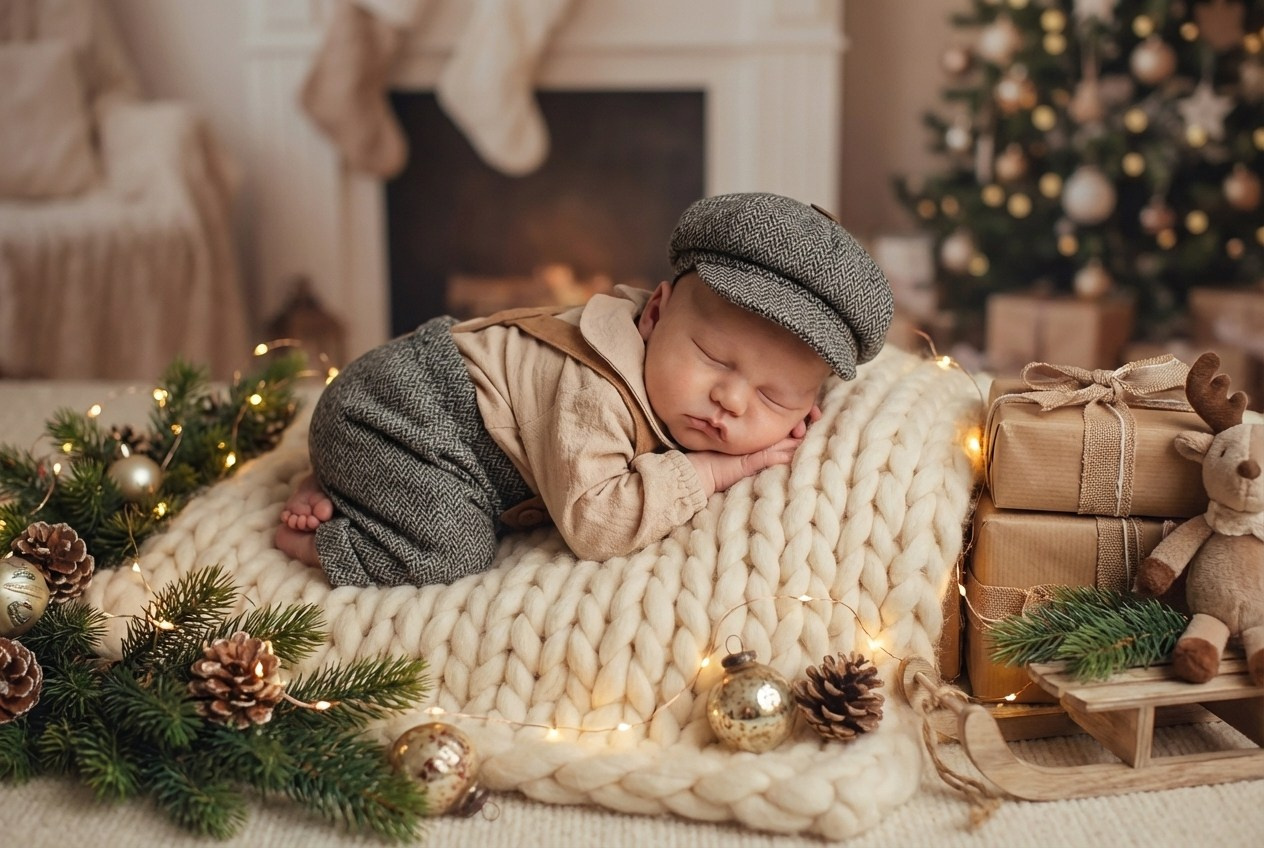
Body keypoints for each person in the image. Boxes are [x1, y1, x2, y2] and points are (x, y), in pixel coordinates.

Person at [275, 192, 894, 586]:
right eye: (711, 357)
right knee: (451, 550)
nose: (731, 401)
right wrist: (711, 472)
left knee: (435, 509)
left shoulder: (686, 390)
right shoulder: (592, 384)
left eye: (773, 399)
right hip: (401, 412)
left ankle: (350, 483)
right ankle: (323, 537)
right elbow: (594, 524)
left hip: (417, 437)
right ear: (653, 315)